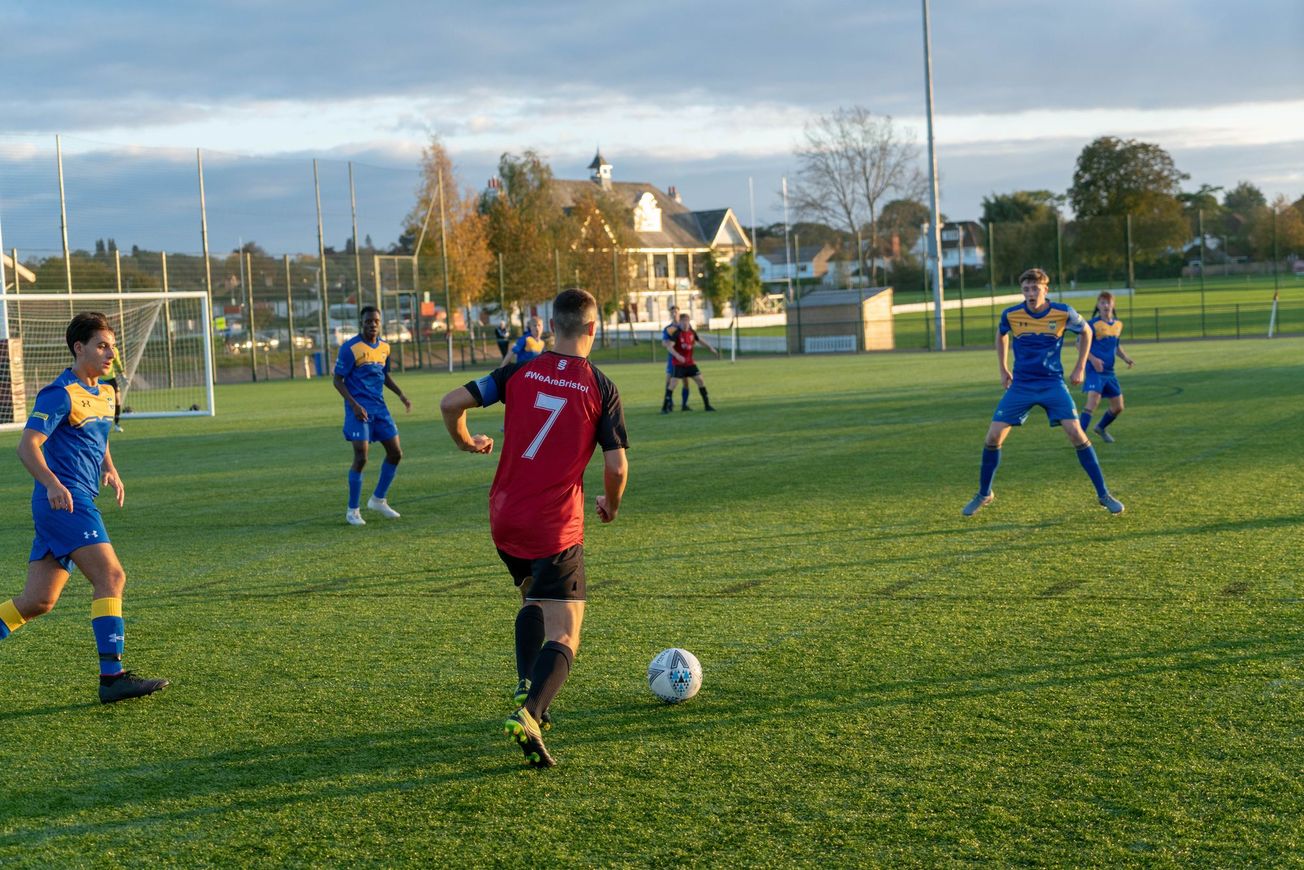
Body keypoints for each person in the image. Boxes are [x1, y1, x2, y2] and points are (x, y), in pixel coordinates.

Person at [439, 287, 629, 769]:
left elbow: (449, 402)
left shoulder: (519, 370)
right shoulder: (600, 386)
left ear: (552, 323)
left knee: (531, 597)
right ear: (592, 328)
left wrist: (466, 443)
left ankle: (528, 681)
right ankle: (530, 711)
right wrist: (611, 501)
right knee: (566, 634)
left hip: (505, 516)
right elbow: (618, 466)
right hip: (555, 524)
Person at [0, 312, 168, 703]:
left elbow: (100, 435)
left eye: (111, 345)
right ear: (80, 348)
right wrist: (53, 483)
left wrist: (110, 469)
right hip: (65, 500)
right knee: (111, 577)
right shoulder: (59, 394)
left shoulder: (107, 393)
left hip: (76, 498)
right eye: (102, 346)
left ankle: (113, 677)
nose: (110, 353)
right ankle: (113, 678)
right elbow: (27, 447)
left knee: (38, 601)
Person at [962, 268, 1124, 516]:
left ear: (1045, 289)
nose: (1030, 293)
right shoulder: (1012, 314)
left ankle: (1103, 494)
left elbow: (1086, 331)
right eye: (1026, 289)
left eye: (1035, 289)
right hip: (1022, 385)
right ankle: (984, 494)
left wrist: (1081, 366)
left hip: (1052, 384)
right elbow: (1001, 334)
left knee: (1076, 433)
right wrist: (1003, 368)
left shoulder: (1062, 312)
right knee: (993, 436)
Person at [334, 306, 411, 526]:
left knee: (395, 453)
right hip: (358, 410)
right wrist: (354, 404)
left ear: (380, 322)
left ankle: (378, 499)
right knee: (361, 457)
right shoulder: (350, 348)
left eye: (376, 321)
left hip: (380, 409)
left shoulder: (385, 347)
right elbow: (337, 380)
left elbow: (384, 375)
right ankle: (352, 510)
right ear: (362, 323)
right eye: (368, 321)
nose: (372, 324)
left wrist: (401, 395)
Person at [1078, 291, 1135, 444]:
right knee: (1093, 402)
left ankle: (1100, 428)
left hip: (1109, 372)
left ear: (1113, 305)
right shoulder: (1092, 325)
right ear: (1098, 305)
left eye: (1108, 302)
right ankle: (1078, 437)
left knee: (1118, 407)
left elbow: (1115, 346)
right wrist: (1093, 359)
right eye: (1102, 302)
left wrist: (1125, 358)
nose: (1105, 305)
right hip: (1094, 370)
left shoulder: (1118, 325)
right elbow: (1079, 344)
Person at [664, 312, 719, 411]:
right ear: (680, 322)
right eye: (683, 321)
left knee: (700, 380)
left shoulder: (692, 332)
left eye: (687, 321)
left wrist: (710, 348)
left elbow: (700, 340)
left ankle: (707, 405)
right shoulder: (676, 333)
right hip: (679, 364)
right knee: (673, 384)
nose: (685, 323)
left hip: (689, 363)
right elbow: (669, 347)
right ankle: (665, 407)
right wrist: (678, 355)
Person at [659, 305, 682, 414]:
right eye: (672, 312)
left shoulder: (684, 326)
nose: (674, 314)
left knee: (686, 381)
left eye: (676, 312)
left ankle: (685, 404)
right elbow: (664, 343)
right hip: (673, 358)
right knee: (669, 381)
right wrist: (670, 343)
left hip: (684, 358)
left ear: (679, 312)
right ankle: (669, 403)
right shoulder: (668, 329)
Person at [99, 352, 125, 433]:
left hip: (111, 379)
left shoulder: (115, 350)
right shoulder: (97, 350)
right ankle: (100, 424)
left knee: (117, 399)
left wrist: (122, 374)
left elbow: (117, 363)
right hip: (99, 379)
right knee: (101, 403)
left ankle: (117, 424)